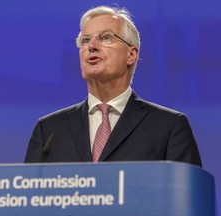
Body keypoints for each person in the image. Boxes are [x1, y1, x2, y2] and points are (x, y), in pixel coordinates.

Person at [24, 6, 202, 167]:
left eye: (106, 38)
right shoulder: (49, 130)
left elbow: (188, 196)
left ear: (131, 54)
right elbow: (29, 196)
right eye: (85, 41)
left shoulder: (168, 127)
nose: (92, 47)